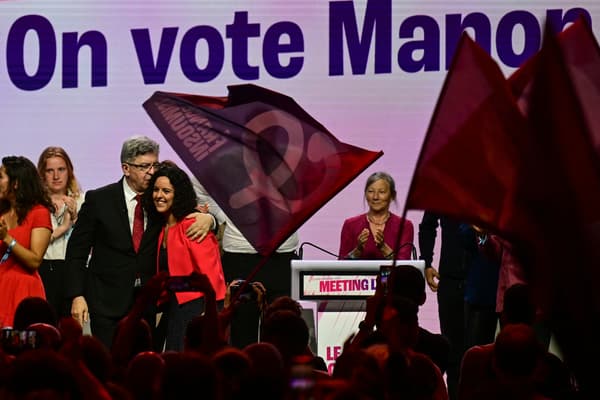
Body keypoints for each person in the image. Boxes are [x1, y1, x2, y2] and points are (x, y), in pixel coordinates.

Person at [65, 135, 215, 349]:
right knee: (109, 367)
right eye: (144, 166)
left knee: (144, 370)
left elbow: (188, 211)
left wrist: (210, 220)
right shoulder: (99, 200)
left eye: (155, 164)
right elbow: (77, 251)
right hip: (106, 302)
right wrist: (77, 295)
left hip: (147, 304)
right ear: (126, 168)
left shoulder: (159, 199)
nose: (152, 172)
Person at [192, 178, 300, 348]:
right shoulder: (230, 157)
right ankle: (242, 373)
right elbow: (199, 185)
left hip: (282, 256)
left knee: (282, 333)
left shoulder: (288, 157)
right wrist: (223, 216)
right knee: (242, 331)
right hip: (240, 256)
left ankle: (278, 373)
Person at [142, 162, 226, 351]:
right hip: (174, 306)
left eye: (166, 191)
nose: (159, 196)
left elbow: (213, 277)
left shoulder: (192, 225)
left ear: (178, 194)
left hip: (196, 308)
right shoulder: (163, 228)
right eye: (156, 190)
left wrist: (210, 314)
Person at [0, 156, 53, 328]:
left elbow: (34, 261)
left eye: (1, 177)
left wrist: (7, 238)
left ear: (16, 183)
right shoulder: (2, 213)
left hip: (23, 292)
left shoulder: (39, 213)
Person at [418, 212, 466, 400]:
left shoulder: (485, 186)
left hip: (480, 279)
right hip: (450, 280)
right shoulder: (445, 187)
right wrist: (427, 263)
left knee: (479, 353)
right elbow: (428, 225)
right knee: (453, 356)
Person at [37, 146, 84, 318]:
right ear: (42, 174)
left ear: (69, 171)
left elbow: (90, 242)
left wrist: (77, 219)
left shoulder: (84, 200)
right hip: (42, 270)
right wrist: (63, 228)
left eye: (61, 170)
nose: (56, 176)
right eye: (50, 171)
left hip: (72, 272)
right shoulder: (35, 205)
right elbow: (33, 243)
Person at [339, 171, 414, 260]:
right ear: (365, 194)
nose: (375, 197)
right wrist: (358, 250)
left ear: (393, 195)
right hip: (361, 274)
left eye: (381, 192)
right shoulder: (350, 224)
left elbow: (404, 266)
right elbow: (341, 265)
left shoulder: (404, 226)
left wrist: (383, 247)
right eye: (370, 191)